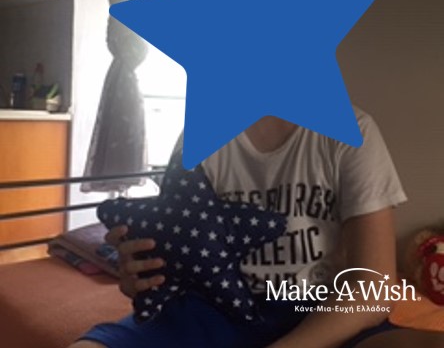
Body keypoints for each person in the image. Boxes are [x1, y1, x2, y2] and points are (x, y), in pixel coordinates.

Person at [69, 111, 444, 348]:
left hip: (320, 311)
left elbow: (373, 289)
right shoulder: (198, 135)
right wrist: (142, 278)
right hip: (210, 311)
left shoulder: (350, 131)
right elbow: (175, 252)